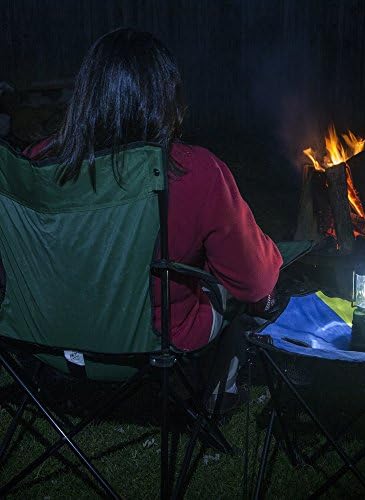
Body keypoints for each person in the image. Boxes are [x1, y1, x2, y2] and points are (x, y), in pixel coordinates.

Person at [23, 28, 282, 403]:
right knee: (233, 282)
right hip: (151, 341)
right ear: (168, 98)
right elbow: (255, 281)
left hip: (45, 336)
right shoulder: (196, 173)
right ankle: (220, 391)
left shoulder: (38, 164)